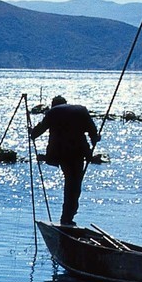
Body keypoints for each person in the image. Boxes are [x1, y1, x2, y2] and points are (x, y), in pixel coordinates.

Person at [29, 94, 101, 227]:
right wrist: (95, 139)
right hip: (79, 153)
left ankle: (66, 219)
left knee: (70, 184)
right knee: (74, 186)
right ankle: (68, 217)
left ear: (53, 104)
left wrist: (32, 133)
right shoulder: (82, 110)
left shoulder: (53, 111)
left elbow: (40, 129)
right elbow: (93, 132)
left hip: (62, 153)